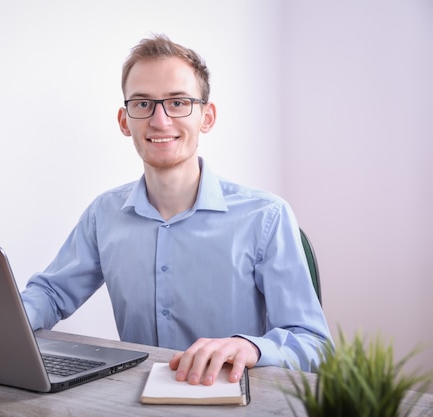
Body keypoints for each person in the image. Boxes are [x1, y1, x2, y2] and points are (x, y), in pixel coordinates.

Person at [21, 34, 332, 386]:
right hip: (135, 402)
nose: (160, 120)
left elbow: (315, 346)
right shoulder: (103, 215)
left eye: (178, 102)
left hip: (233, 402)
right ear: (125, 121)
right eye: (142, 104)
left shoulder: (266, 217)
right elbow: (50, 293)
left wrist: (252, 347)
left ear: (207, 117)